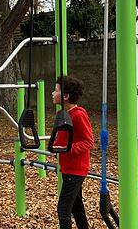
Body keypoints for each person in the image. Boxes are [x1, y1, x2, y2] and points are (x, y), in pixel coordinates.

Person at [51, 75, 94, 229]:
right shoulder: (62, 114)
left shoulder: (79, 115)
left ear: (65, 96)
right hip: (68, 168)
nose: (52, 93)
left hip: (76, 170)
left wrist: (67, 150)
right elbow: (61, 139)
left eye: (55, 90)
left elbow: (88, 141)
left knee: (63, 209)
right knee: (77, 208)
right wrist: (55, 147)